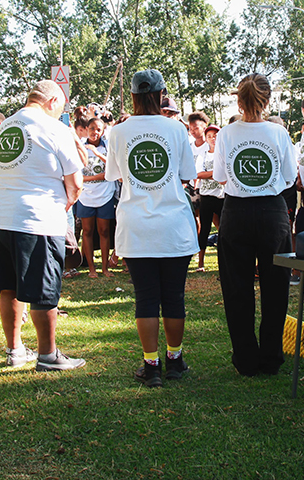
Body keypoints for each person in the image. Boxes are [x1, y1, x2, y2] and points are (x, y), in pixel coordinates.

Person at [0, 80, 86, 371]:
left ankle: (14, 350)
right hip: (36, 217)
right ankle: (48, 355)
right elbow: (75, 183)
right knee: (44, 290)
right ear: (52, 101)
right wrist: (63, 206)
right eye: (61, 107)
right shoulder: (56, 129)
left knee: (8, 287)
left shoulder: (6, 127)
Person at [105, 70, 199, 387]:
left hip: (135, 225)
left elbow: (114, 175)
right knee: (173, 297)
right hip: (174, 225)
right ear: (161, 95)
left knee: (145, 297)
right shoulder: (175, 128)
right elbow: (187, 173)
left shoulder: (117, 132)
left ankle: (151, 366)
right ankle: (174, 359)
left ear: (132, 96)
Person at [213, 73, 297, 377]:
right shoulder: (278, 133)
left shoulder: (225, 133)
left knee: (237, 289)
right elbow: (290, 176)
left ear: (238, 100)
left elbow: (221, 176)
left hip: (235, 212)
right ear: (268, 100)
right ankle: (271, 357)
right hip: (272, 212)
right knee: (276, 288)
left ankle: (246, 359)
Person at [78, 117, 115, 278]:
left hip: (105, 194)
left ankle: (105, 268)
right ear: (87, 129)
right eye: (92, 128)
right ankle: (91, 269)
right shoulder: (79, 146)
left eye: (99, 129)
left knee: (104, 231)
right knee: (87, 231)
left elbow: (113, 168)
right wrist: (97, 177)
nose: (95, 132)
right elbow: (77, 175)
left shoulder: (108, 146)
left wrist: (96, 153)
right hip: (85, 195)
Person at [195, 124, 224, 272]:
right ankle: (200, 263)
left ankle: (224, 262)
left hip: (222, 196)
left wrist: (210, 173)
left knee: (224, 230)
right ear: (206, 139)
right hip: (206, 196)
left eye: (215, 136)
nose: (213, 139)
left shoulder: (224, 154)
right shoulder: (203, 155)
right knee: (205, 229)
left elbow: (226, 173)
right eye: (210, 136)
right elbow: (198, 174)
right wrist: (216, 173)